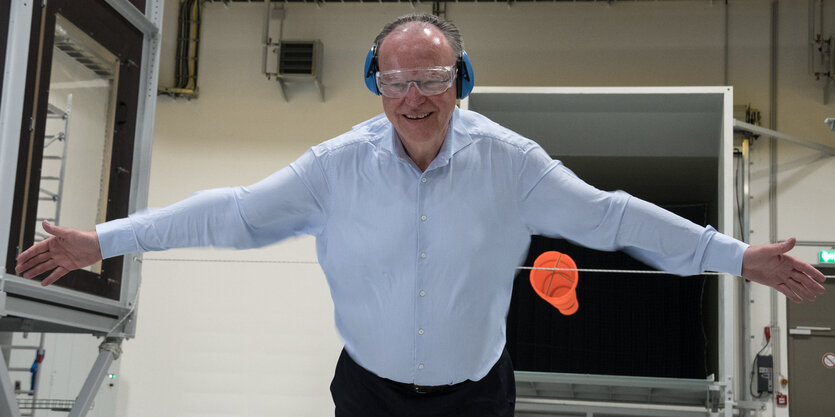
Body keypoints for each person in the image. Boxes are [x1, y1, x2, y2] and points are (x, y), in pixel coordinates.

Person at [14, 13, 826, 417]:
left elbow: (613, 218)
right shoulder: (335, 167)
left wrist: (735, 255)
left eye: (432, 79)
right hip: (368, 392)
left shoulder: (512, 164)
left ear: (460, 78)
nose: (413, 99)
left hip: (478, 394)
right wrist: (104, 239)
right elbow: (226, 212)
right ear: (374, 82)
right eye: (395, 82)